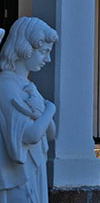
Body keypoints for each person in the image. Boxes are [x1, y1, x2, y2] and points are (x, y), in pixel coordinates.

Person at [0, 18, 57, 203]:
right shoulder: (6, 85)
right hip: (16, 178)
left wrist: (43, 112)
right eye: (43, 52)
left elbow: (50, 134)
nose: (47, 59)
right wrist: (50, 109)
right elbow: (31, 135)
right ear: (26, 49)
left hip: (32, 171)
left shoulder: (28, 86)